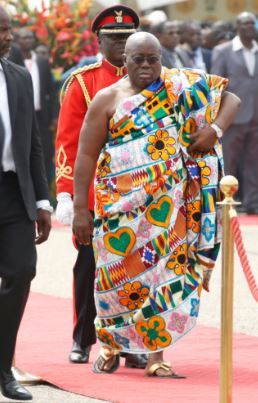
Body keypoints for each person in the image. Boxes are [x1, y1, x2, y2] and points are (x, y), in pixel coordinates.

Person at [73, 32, 240, 377]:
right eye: (139, 59)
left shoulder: (180, 86)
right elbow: (86, 155)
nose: (147, 66)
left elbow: (233, 99)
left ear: (161, 58)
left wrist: (215, 130)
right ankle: (110, 346)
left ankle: (156, 358)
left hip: (169, 208)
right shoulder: (106, 99)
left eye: (153, 58)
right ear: (124, 60)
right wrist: (78, 210)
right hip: (118, 209)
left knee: (163, 279)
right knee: (113, 282)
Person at [55, 4, 147, 369]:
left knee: (136, 269)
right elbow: (68, 143)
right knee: (90, 267)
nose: (121, 47)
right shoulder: (83, 82)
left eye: (126, 39)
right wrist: (68, 195)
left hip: (140, 192)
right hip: (97, 195)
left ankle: (132, 342)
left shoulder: (151, 76)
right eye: (114, 39)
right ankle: (83, 338)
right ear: (99, 40)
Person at [0, 6, 52, 401]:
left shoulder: (18, 77)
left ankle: (4, 370)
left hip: (13, 194)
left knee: (22, 272)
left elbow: (32, 143)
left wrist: (43, 199)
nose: (6, 38)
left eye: (7, 31)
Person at [211, 12, 258, 215]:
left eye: (252, 23)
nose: (249, 27)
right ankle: (224, 201)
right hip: (232, 117)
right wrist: (217, 116)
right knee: (229, 161)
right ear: (237, 27)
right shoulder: (223, 51)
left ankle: (252, 202)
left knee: (254, 162)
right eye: (245, 23)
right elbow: (217, 85)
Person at [10, 28, 58, 186]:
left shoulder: (42, 62)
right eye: (23, 38)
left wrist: (54, 116)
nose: (27, 41)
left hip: (41, 116)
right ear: (18, 41)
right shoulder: (12, 62)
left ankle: (43, 188)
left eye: (30, 37)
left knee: (44, 151)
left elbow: (51, 89)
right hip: (20, 115)